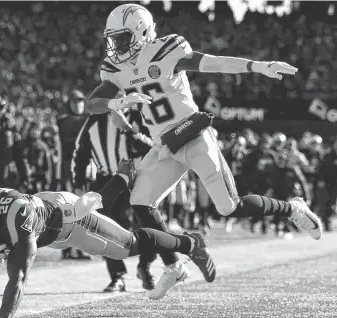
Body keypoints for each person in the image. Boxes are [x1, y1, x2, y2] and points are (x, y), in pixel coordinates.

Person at [85, 4, 323, 275]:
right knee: (140, 201)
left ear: (141, 32)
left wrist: (258, 66)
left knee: (228, 206)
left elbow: (214, 62)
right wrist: (118, 101)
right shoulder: (116, 69)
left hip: (193, 135)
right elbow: (92, 104)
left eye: (122, 38)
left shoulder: (166, 50)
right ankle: (173, 266)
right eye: (113, 38)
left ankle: (292, 208)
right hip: (164, 145)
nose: (116, 45)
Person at [0, 169, 215, 318]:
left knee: (127, 247)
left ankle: (190, 243)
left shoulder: (16, 215)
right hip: (43, 222)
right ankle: (120, 177)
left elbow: (19, 274)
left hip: (68, 221)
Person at [72, 109, 155, 292]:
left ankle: (145, 266)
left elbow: (153, 148)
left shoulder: (138, 115)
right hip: (107, 179)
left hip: (138, 178)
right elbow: (81, 151)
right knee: (107, 229)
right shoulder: (94, 120)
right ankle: (118, 276)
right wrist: (78, 183)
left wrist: (127, 129)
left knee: (147, 225)